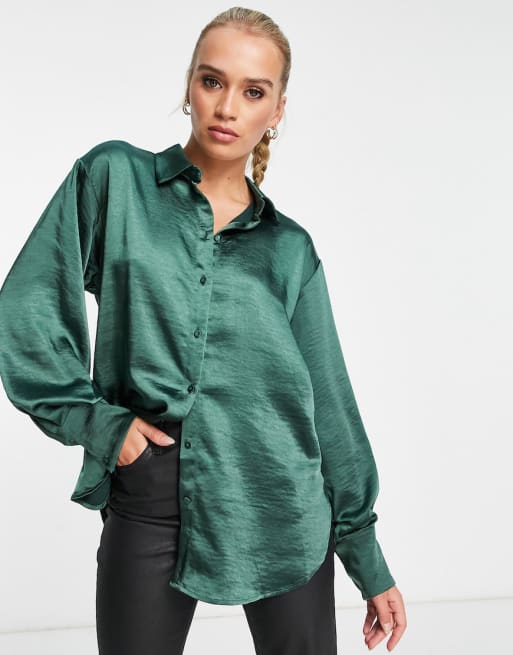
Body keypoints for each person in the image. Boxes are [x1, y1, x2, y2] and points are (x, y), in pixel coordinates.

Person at [0, 6, 407, 654]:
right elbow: (28, 310)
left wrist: (366, 554)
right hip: (150, 492)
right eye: (212, 80)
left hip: (283, 500)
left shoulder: (289, 249)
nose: (227, 106)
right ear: (188, 85)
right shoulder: (114, 179)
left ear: (277, 111)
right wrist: (99, 424)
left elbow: (329, 404)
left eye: (254, 91)